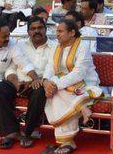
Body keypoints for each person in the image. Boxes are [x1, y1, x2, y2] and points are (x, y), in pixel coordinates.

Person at [0, 16, 56, 149]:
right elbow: (10, 68)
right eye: (33, 29)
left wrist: (39, 80)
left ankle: (27, 132)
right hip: (18, 82)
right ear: (28, 32)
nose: (36, 31)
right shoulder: (19, 45)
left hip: (39, 84)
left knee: (39, 92)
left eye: (40, 28)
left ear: (46, 29)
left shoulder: (55, 47)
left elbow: (54, 70)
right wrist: (16, 82)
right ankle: (11, 132)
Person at [42, 19, 102, 154]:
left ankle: (66, 142)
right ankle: (82, 107)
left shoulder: (82, 46)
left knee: (58, 94)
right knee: (58, 93)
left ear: (72, 32)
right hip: (64, 86)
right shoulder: (56, 47)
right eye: (57, 31)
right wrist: (46, 82)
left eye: (60, 31)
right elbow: (50, 67)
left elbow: (79, 73)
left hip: (85, 84)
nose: (57, 34)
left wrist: (55, 85)